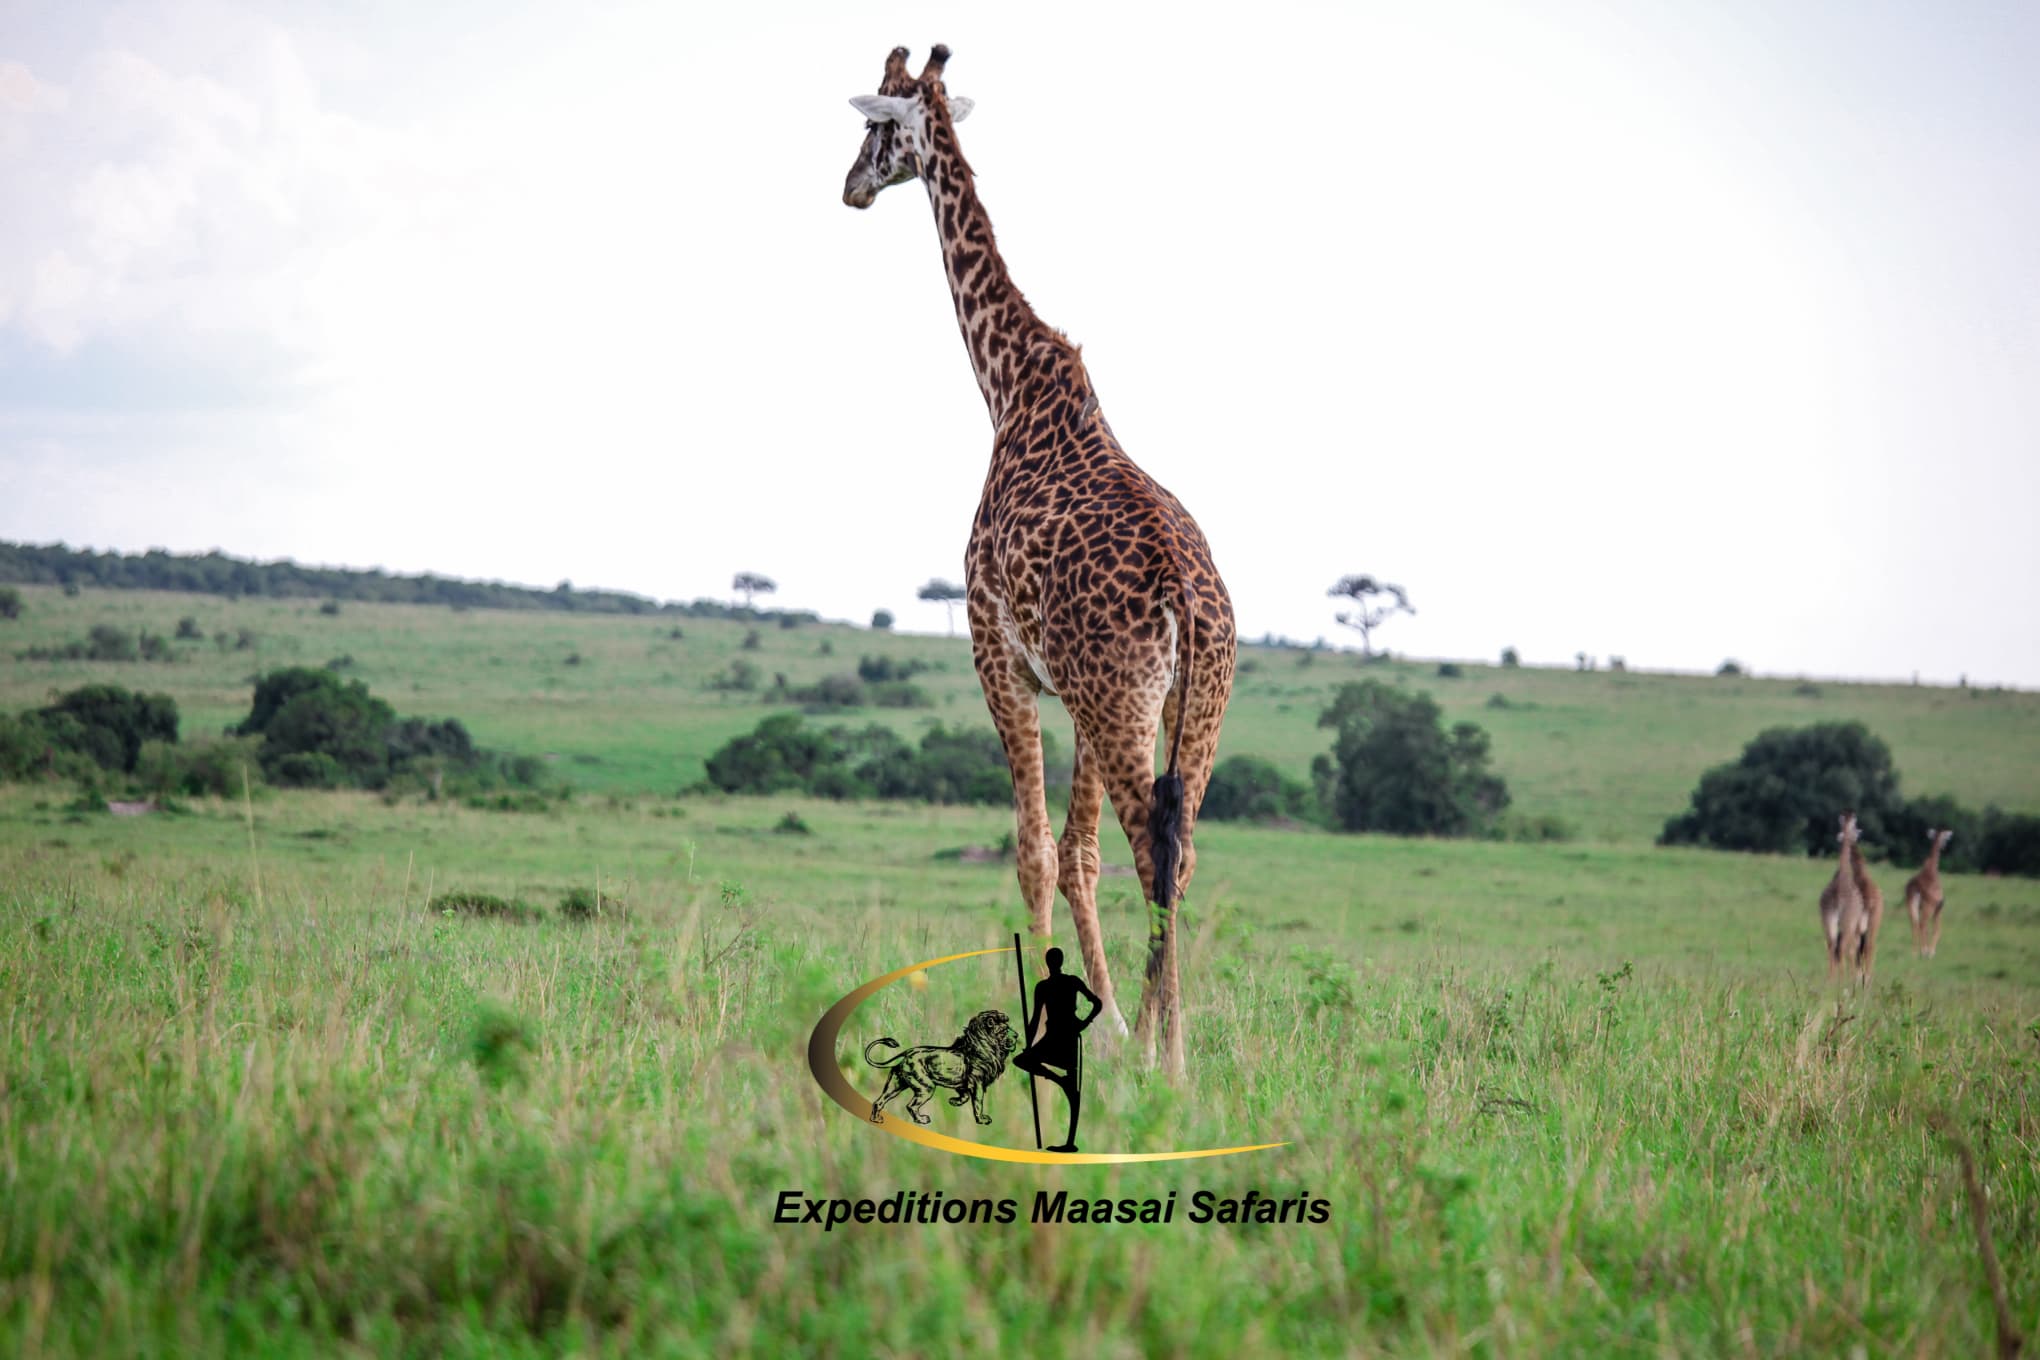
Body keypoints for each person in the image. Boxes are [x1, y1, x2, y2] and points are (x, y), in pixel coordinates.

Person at [1012, 947, 1100, 1152]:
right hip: (1055, 1036)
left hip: (1066, 1036)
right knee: (1022, 1060)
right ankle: (1061, 1081)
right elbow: (1035, 1019)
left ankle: (1069, 1143)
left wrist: (1083, 1024)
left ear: (1050, 962)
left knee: (1073, 1092)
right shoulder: (1048, 986)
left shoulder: (1063, 983)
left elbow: (1096, 1003)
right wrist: (1029, 1043)